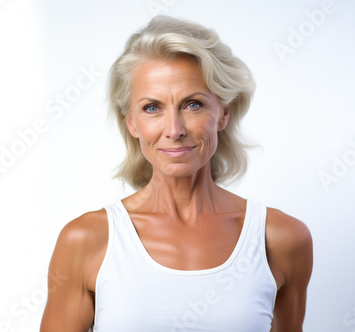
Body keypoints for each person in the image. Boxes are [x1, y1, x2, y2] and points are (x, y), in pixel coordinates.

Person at [40, 15, 312, 332]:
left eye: (192, 104)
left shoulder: (281, 239)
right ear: (131, 122)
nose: (174, 130)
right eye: (152, 107)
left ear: (222, 113)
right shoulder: (86, 240)